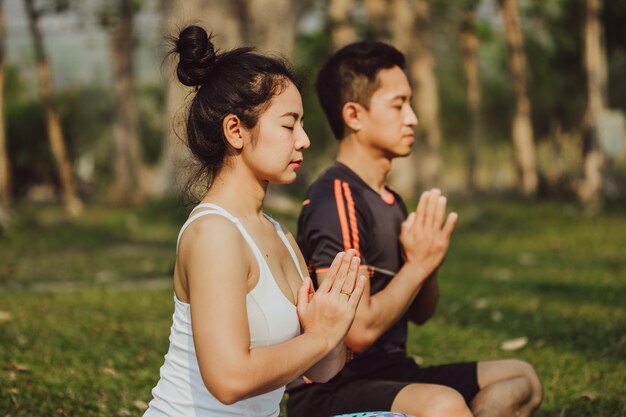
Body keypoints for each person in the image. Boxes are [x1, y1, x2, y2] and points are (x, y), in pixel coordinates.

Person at [286, 41, 543, 417]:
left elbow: (421, 312)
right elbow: (357, 331)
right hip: (335, 388)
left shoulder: (391, 200)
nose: (412, 118)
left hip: (393, 374)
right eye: (398, 104)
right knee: (444, 406)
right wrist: (417, 266)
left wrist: (430, 260)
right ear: (354, 115)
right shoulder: (334, 199)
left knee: (522, 380)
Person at [143, 25, 367, 417]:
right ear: (235, 130)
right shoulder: (213, 233)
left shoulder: (279, 235)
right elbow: (229, 379)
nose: (304, 140)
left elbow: (320, 367)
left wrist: (336, 320)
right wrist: (321, 335)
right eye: (288, 124)